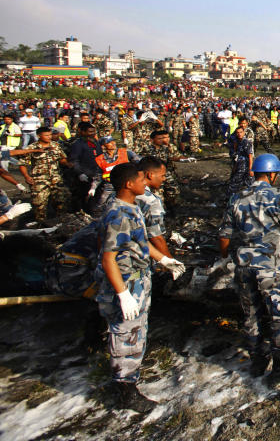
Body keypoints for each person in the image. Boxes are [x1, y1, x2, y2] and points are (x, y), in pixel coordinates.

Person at [96, 162, 185, 413]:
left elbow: (139, 241)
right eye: (140, 180)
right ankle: (125, 391)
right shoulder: (118, 214)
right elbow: (108, 257)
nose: (145, 182)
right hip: (125, 282)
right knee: (125, 335)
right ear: (128, 184)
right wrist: (123, 294)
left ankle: (129, 378)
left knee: (135, 333)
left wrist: (163, 259)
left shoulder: (131, 208)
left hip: (138, 278)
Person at [218, 153, 280, 381]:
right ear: (272, 174)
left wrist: (225, 257)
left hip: (244, 265)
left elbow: (224, 235)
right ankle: (279, 366)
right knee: (277, 314)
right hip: (270, 266)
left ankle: (256, 361)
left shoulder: (237, 198)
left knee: (251, 314)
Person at [18, 127, 71, 221]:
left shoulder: (56, 145)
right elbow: (22, 164)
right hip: (39, 180)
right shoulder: (31, 148)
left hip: (56, 178)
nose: (49, 137)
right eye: (46, 135)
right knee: (39, 203)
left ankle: (61, 222)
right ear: (39, 136)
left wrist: (68, 164)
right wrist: (26, 176)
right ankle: (40, 223)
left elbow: (62, 158)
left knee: (61, 201)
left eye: (50, 135)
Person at [137, 157, 171, 257]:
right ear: (150, 175)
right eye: (163, 176)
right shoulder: (150, 200)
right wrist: (169, 261)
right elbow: (155, 236)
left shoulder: (123, 189)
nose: (164, 179)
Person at [227, 126, 254, 194]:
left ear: (244, 133)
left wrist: (251, 169)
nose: (239, 134)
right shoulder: (238, 142)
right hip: (240, 165)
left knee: (235, 183)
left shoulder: (246, 142)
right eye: (238, 133)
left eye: (241, 132)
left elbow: (250, 156)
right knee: (247, 183)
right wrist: (235, 167)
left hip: (245, 167)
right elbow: (238, 156)